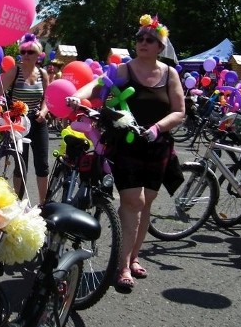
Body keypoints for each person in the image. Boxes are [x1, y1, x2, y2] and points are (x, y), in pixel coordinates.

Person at [71, 15, 184, 292]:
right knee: (133, 201)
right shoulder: (124, 70)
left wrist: (158, 129)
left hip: (157, 144)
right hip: (128, 143)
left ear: (160, 46)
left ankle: (134, 257)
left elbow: (179, 111)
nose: (142, 43)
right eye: (139, 38)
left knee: (146, 203)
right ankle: (121, 265)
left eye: (150, 39)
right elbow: (98, 84)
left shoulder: (170, 74)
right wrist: (77, 95)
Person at [0, 33, 50, 204]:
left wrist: (44, 112)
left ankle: (43, 205)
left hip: (38, 122)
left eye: (30, 52)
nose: (25, 55)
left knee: (42, 165)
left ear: (38, 55)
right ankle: (17, 203)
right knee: (20, 164)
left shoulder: (43, 73)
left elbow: (48, 97)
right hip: (18, 123)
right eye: (23, 52)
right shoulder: (15, 71)